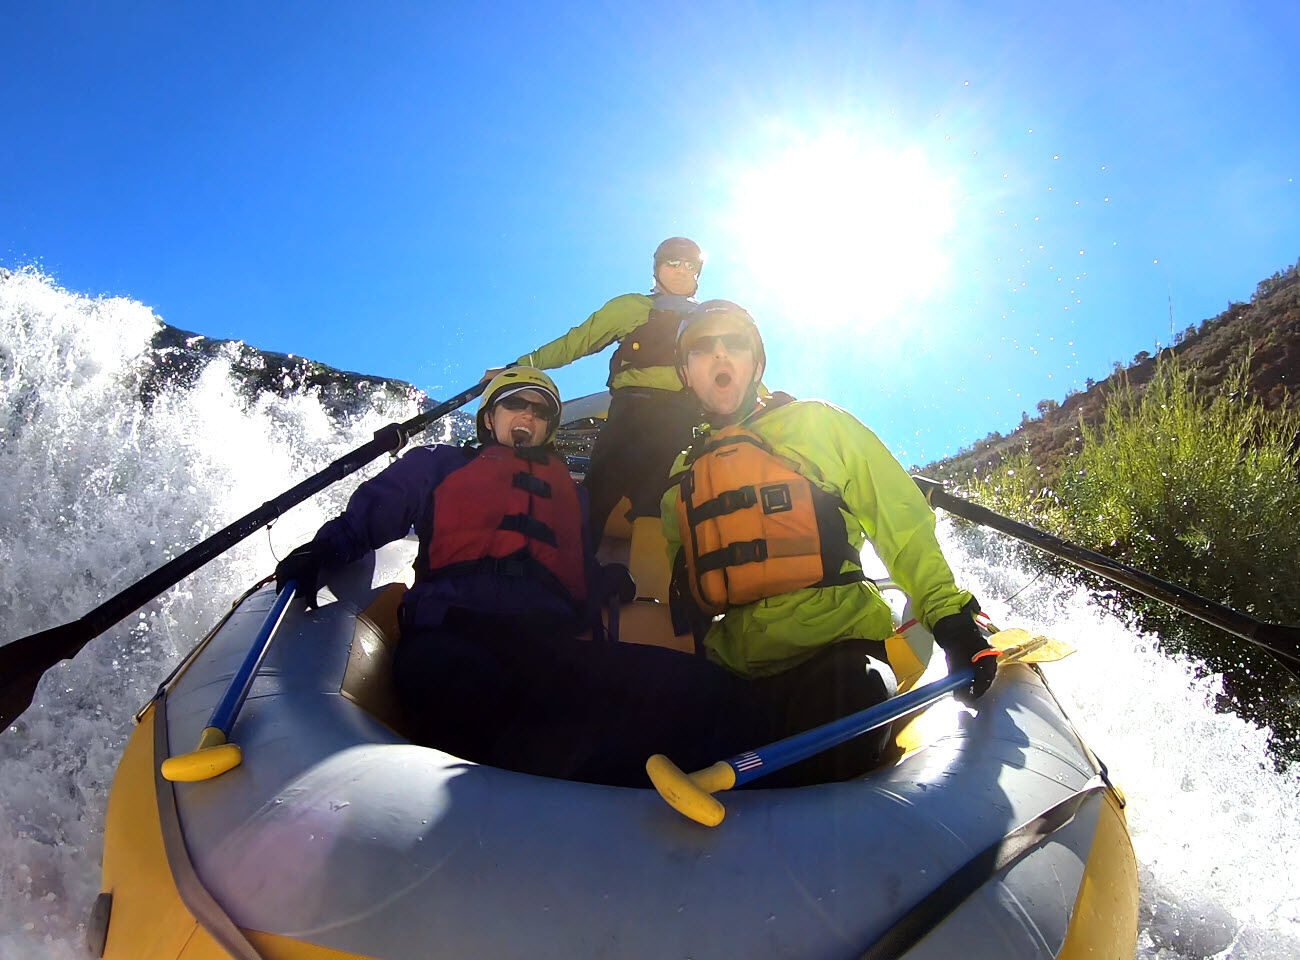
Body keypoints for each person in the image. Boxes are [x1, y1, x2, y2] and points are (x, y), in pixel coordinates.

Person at [659, 300, 998, 782]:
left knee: (848, 712)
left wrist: (951, 621)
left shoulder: (816, 424)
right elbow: (687, 584)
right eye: (701, 347)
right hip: (734, 668)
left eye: (733, 343)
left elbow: (898, 521)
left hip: (836, 653)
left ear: (756, 363)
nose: (719, 356)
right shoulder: (682, 475)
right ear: (686, 372)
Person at [274, 367, 633, 775]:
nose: (528, 415)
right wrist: (322, 552)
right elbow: (369, 517)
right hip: (453, 634)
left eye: (540, 410)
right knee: (487, 705)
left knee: (684, 691)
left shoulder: (573, 496)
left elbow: (577, 566)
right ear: (488, 418)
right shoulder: (439, 464)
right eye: (515, 403)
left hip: (546, 641)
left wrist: (604, 579)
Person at [483, 237, 707, 546]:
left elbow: (734, 370)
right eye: (673, 262)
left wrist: (765, 402)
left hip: (682, 419)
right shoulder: (632, 307)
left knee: (659, 503)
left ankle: (649, 590)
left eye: (691, 266)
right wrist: (518, 367)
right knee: (596, 497)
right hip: (631, 414)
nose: (682, 270)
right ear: (657, 269)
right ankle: (570, 576)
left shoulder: (708, 319)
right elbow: (576, 342)